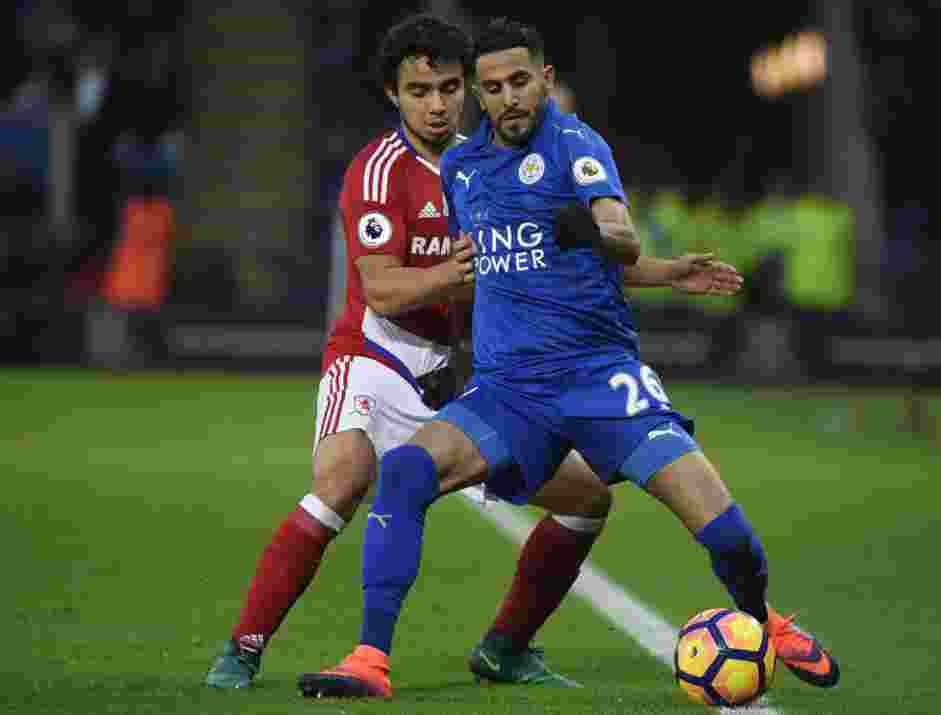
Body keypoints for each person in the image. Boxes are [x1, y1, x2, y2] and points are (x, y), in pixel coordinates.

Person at [302, 17, 840, 700]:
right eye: (493, 87)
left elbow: (617, 234)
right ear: (477, 94)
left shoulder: (575, 144)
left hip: (599, 378)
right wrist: (458, 354)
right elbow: (501, 269)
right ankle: (369, 659)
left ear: (545, 80)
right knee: (407, 470)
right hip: (509, 391)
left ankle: (765, 618)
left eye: (520, 81)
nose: (509, 98)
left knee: (724, 529)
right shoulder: (463, 170)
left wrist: (603, 233)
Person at [206, 14, 718, 692]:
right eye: (419, 91)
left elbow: (564, 265)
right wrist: (452, 274)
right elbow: (381, 291)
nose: (437, 105)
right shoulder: (378, 171)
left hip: (465, 376)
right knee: (342, 480)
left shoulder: (493, 163)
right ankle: (243, 647)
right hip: (378, 358)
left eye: (449, 88)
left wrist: (666, 272)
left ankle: (506, 647)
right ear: (393, 94)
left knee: (587, 498)